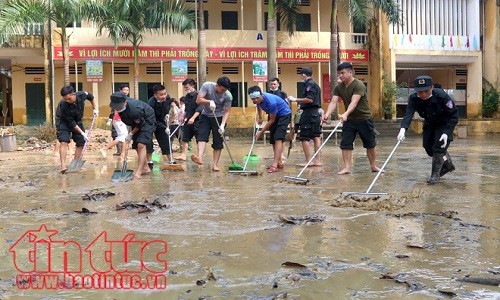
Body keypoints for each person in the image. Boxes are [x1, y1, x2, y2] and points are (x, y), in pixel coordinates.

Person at [323, 62, 381, 175]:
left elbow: (354, 103)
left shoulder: (359, 85)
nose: (340, 75)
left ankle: (373, 166)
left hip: (364, 119)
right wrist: (326, 114)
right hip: (350, 120)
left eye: (343, 73)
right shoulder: (339, 87)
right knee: (346, 143)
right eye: (339, 73)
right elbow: (333, 102)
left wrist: (345, 114)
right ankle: (347, 167)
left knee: (370, 144)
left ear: (350, 72)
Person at [397, 75, 458, 184]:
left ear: (432, 87)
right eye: (420, 92)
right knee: (428, 148)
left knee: (438, 148)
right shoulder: (414, 98)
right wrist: (403, 129)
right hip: (430, 123)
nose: (423, 94)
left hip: (444, 124)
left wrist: (446, 133)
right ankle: (448, 164)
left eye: (426, 91)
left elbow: (453, 116)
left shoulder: (442, 96)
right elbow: (408, 114)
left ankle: (434, 176)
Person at [110, 91, 156, 180]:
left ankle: (138, 172)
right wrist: (130, 133)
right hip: (136, 122)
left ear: (125, 102)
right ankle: (145, 168)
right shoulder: (120, 108)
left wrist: (131, 133)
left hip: (147, 120)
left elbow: (140, 124)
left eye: (119, 106)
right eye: (115, 107)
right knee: (135, 146)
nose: (117, 108)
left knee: (141, 144)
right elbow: (130, 121)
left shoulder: (135, 110)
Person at [192, 76, 232, 172]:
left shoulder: (228, 96)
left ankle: (215, 165)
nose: (223, 92)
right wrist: (210, 101)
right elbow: (198, 100)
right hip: (205, 115)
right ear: (217, 85)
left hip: (219, 117)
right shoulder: (207, 86)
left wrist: (222, 125)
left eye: (225, 90)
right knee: (202, 136)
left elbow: (227, 111)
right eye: (222, 89)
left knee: (218, 142)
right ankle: (200, 158)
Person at [248, 86, 291, 173]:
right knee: (272, 139)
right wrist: (260, 117)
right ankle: (279, 162)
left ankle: (275, 164)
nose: (255, 100)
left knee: (278, 137)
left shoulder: (271, 102)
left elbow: (272, 120)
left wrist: (261, 132)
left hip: (284, 115)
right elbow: (258, 105)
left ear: (261, 95)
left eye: (257, 98)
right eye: (253, 98)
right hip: (274, 115)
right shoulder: (257, 100)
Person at [56, 85, 98, 174]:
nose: (67, 100)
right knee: (64, 141)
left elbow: (91, 97)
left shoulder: (81, 95)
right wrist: (83, 133)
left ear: (74, 94)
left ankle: (75, 165)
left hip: (77, 120)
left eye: (69, 98)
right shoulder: (64, 105)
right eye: (65, 99)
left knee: (81, 143)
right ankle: (63, 165)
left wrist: (95, 108)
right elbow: (71, 123)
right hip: (64, 121)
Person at [288, 67, 323, 167]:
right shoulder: (316, 84)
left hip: (309, 113)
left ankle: (308, 160)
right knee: (316, 136)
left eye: (301, 74)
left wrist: (295, 99)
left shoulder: (309, 84)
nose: (301, 76)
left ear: (304, 74)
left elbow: (310, 99)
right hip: (315, 113)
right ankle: (317, 160)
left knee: (304, 137)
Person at [175, 78, 202, 161]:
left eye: (187, 87)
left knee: (199, 139)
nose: (185, 89)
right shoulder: (187, 97)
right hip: (188, 119)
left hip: (198, 120)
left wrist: (193, 118)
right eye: (185, 88)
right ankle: (183, 155)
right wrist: (183, 116)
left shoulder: (198, 95)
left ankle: (199, 157)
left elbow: (200, 108)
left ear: (192, 86)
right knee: (185, 138)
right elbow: (187, 108)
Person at [146, 84, 173, 169]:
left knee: (165, 140)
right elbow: (153, 119)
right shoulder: (151, 103)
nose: (164, 96)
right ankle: (149, 161)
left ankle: (171, 160)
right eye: (161, 95)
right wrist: (164, 127)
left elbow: (170, 103)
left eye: (165, 93)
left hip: (161, 121)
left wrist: (169, 113)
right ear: (155, 95)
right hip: (150, 122)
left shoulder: (167, 98)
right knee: (149, 142)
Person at [267, 77, 289, 161]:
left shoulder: (282, 94)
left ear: (278, 84)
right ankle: (275, 154)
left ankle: (281, 154)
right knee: (273, 137)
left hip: (281, 117)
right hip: (272, 117)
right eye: (271, 84)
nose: (273, 86)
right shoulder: (267, 94)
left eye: (274, 84)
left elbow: (286, 104)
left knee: (280, 137)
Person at [107, 84, 129, 156]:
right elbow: (113, 110)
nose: (126, 91)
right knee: (118, 136)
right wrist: (110, 119)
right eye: (124, 90)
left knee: (124, 137)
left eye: (127, 90)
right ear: (120, 90)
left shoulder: (128, 100)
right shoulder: (117, 99)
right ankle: (108, 148)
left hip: (124, 121)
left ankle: (122, 153)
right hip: (118, 120)